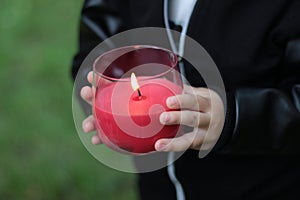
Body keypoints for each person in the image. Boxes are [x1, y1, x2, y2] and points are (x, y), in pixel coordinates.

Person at [72, 0, 300, 199]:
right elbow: (99, 32)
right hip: (157, 188)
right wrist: (106, 92)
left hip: (267, 186)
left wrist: (236, 116)